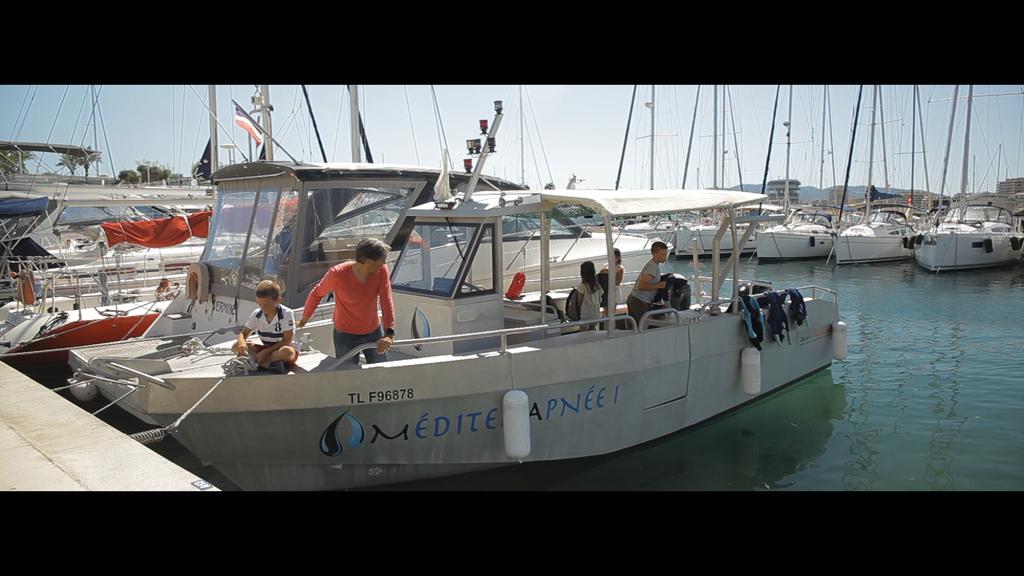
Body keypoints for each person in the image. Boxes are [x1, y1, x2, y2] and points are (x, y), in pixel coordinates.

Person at [297, 238, 395, 365]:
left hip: (374, 333)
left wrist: (389, 333)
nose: (383, 264)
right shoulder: (337, 274)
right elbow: (317, 294)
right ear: (367, 261)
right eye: (380, 261)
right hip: (345, 336)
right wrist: (304, 319)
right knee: (347, 375)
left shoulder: (381, 270)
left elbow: (386, 300)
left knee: (382, 373)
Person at [232, 279, 298, 374]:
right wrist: (241, 343)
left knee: (287, 352)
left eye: (266, 305)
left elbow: (286, 341)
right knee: (235, 346)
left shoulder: (286, 313)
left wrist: (265, 352)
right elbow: (244, 333)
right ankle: (268, 364)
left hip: (281, 349)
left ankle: (257, 361)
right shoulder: (257, 314)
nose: (262, 307)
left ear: (277, 300)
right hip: (267, 348)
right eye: (259, 304)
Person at [626, 241, 669, 328]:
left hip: (638, 299)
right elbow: (641, 286)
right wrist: (660, 285)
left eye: (665, 254)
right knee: (646, 326)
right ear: (654, 253)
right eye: (663, 254)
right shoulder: (652, 267)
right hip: (639, 300)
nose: (665, 257)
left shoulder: (654, 266)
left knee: (637, 327)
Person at [576, 261, 604, 331]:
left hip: (586, 313)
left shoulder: (582, 286)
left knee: (583, 331)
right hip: (596, 313)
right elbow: (600, 297)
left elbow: (579, 301)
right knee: (593, 329)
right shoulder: (597, 285)